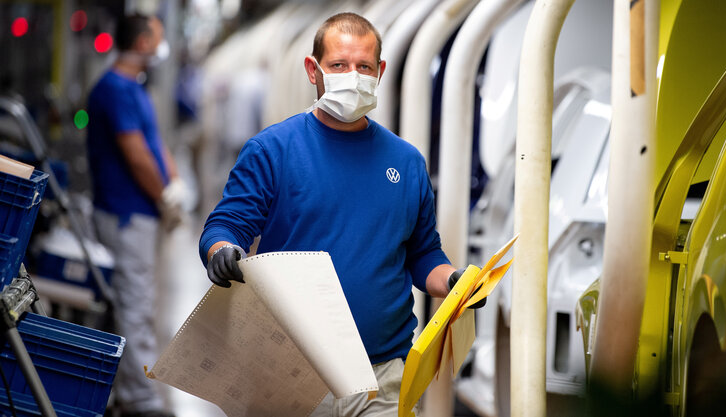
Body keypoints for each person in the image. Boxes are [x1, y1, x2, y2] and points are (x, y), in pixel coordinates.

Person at [199, 12, 482, 416]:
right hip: (292, 370)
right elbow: (226, 225)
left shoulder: (407, 162)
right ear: (313, 70)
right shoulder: (273, 150)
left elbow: (423, 254)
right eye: (339, 65)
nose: (353, 76)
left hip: (381, 377)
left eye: (364, 66)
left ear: (380, 71)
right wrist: (223, 251)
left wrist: (454, 281)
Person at [87, 13, 182, 417]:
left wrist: (174, 182)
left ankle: (130, 389)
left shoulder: (134, 88)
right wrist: (163, 195)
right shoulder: (115, 89)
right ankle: (141, 401)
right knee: (135, 305)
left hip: (139, 215)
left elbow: (154, 142)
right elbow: (136, 152)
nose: (161, 48)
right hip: (126, 216)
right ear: (143, 42)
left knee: (137, 303)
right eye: (157, 39)